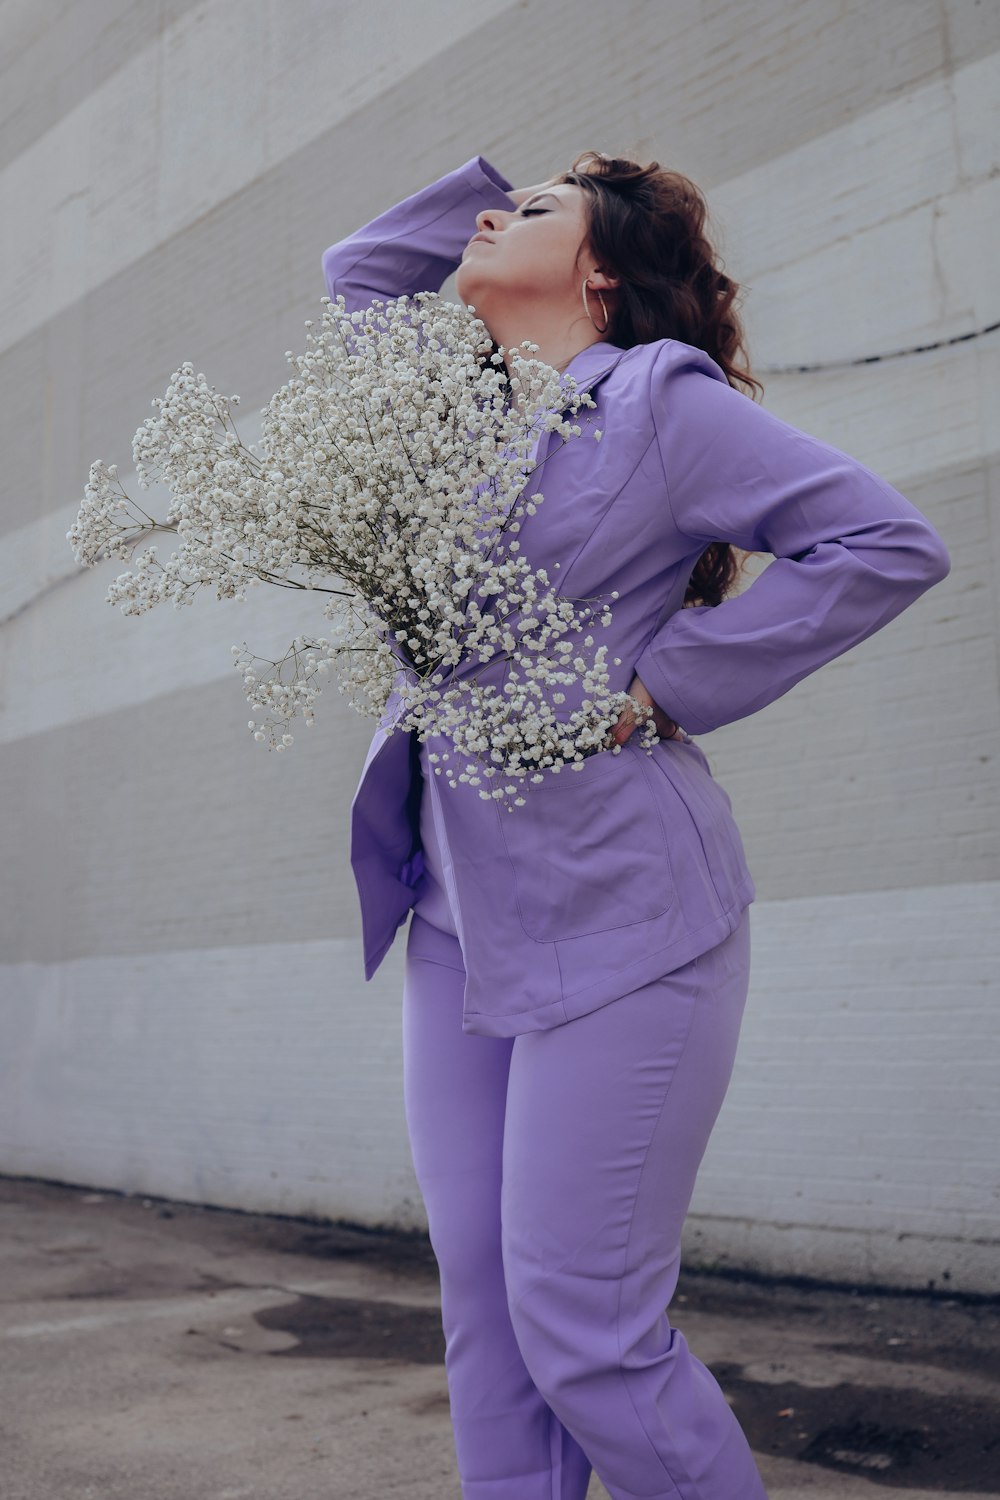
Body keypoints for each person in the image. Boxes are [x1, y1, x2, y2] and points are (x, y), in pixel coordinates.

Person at [322, 152, 951, 1500]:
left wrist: (664, 686)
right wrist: (506, 187)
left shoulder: (660, 404)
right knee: (487, 1325)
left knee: (583, 1333)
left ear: (605, 274)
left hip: (630, 917)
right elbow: (360, 276)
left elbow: (885, 542)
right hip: (456, 918)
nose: (492, 225)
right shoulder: (457, 417)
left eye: (537, 215)